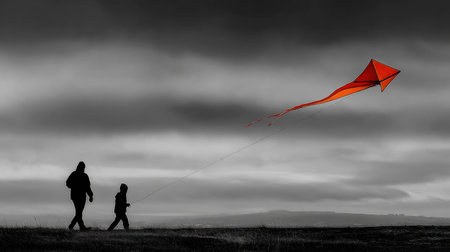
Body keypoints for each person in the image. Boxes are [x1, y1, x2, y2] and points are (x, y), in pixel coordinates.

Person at [66, 161, 94, 231]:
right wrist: (90, 196)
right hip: (77, 196)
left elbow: (87, 187)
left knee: (79, 212)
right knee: (79, 212)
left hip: (78, 196)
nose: (83, 168)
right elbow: (68, 183)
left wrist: (90, 195)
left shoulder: (82, 175)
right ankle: (81, 227)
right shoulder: (80, 175)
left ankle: (72, 226)